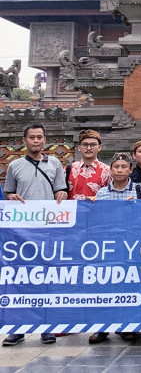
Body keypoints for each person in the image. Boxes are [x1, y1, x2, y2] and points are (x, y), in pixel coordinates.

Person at [2, 122, 67, 346]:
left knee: (47, 278)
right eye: (32, 137)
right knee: (21, 278)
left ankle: (47, 328)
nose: (36, 141)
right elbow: (8, 192)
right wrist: (10, 197)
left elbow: (61, 189)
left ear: (45, 139)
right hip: (22, 230)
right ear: (25, 141)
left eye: (40, 137)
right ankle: (18, 328)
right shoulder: (15, 165)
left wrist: (61, 194)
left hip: (49, 228)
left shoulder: (56, 163)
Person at [88, 152, 141, 345]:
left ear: (130, 170)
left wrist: (137, 207)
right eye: (116, 167)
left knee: (128, 287)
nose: (119, 170)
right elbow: (96, 220)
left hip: (131, 246)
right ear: (110, 170)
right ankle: (102, 328)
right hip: (108, 246)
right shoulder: (102, 193)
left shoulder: (139, 190)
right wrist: (92, 206)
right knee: (105, 287)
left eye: (124, 167)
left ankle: (126, 326)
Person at [66, 129, 110, 200]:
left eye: (93, 145)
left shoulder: (108, 171)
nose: (88, 148)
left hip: (97, 209)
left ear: (99, 147)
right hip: (74, 210)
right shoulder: (69, 169)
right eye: (85, 144)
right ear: (79, 147)